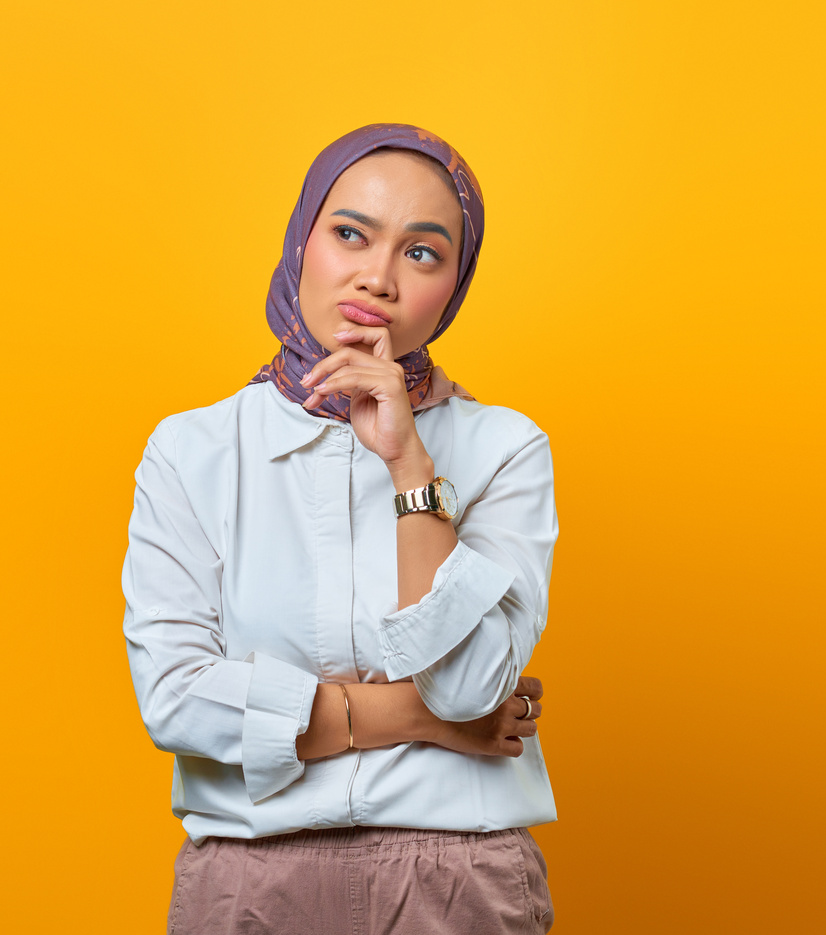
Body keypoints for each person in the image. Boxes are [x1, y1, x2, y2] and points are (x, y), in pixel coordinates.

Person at [122, 123, 558, 934]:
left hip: (456, 881)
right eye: (350, 233)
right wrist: (420, 721)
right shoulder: (193, 449)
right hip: (249, 886)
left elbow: (468, 686)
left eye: (422, 253)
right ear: (302, 240)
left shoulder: (505, 448)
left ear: (452, 287)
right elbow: (177, 701)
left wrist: (408, 467)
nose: (378, 278)